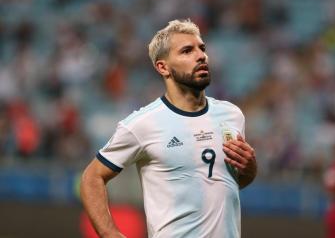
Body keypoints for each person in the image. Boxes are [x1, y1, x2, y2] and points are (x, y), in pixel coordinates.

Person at [80, 19, 258, 238]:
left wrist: (249, 170)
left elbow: (224, 183)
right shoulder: (143, 124)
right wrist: (110, 234)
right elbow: (92, 177)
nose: (200, 55)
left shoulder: (231, 115)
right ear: (163, 67)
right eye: (187, 51)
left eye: (202, 48)